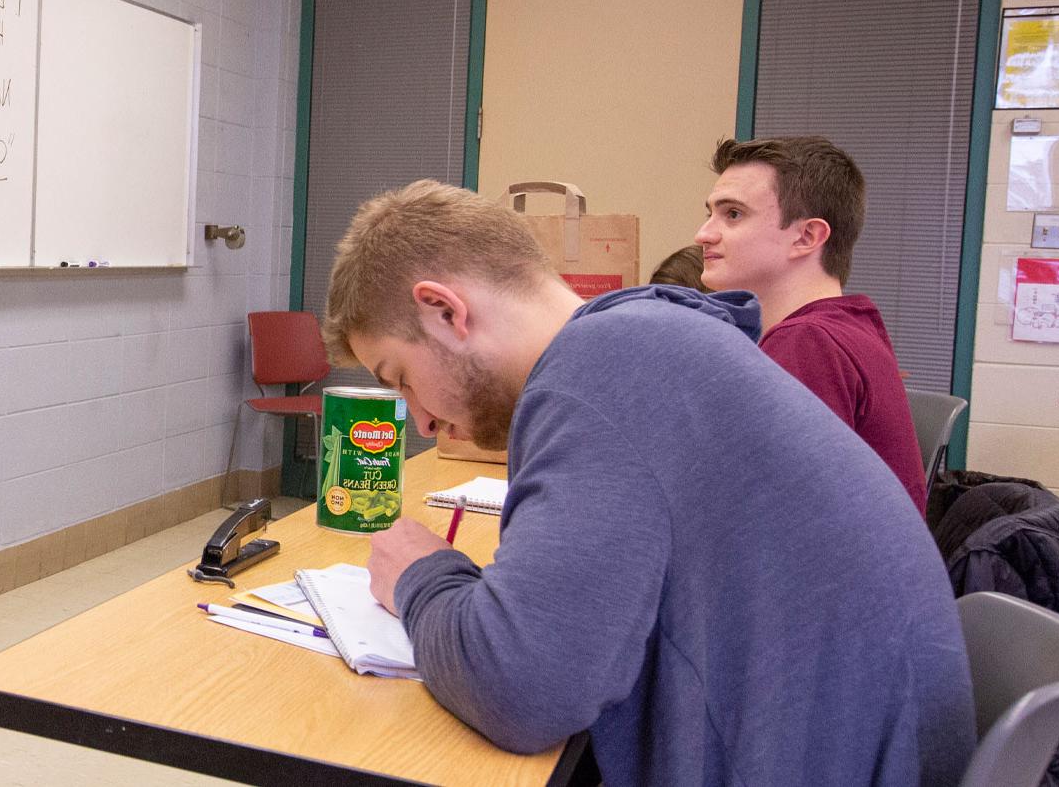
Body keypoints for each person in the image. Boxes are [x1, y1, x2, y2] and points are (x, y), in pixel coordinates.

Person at [323, 181, 973, 785]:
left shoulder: (601, 377)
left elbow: (527, 689)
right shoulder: (641, 340)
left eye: (399, 376)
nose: (425, 418)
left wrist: (421, 574)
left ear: (442, 310)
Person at [694, 136, 928, 511]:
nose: (703, 234)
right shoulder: (845, 327)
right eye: (709, 213)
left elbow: (765, 513)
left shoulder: (807, 342)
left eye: (733, 214)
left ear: (807, 236)